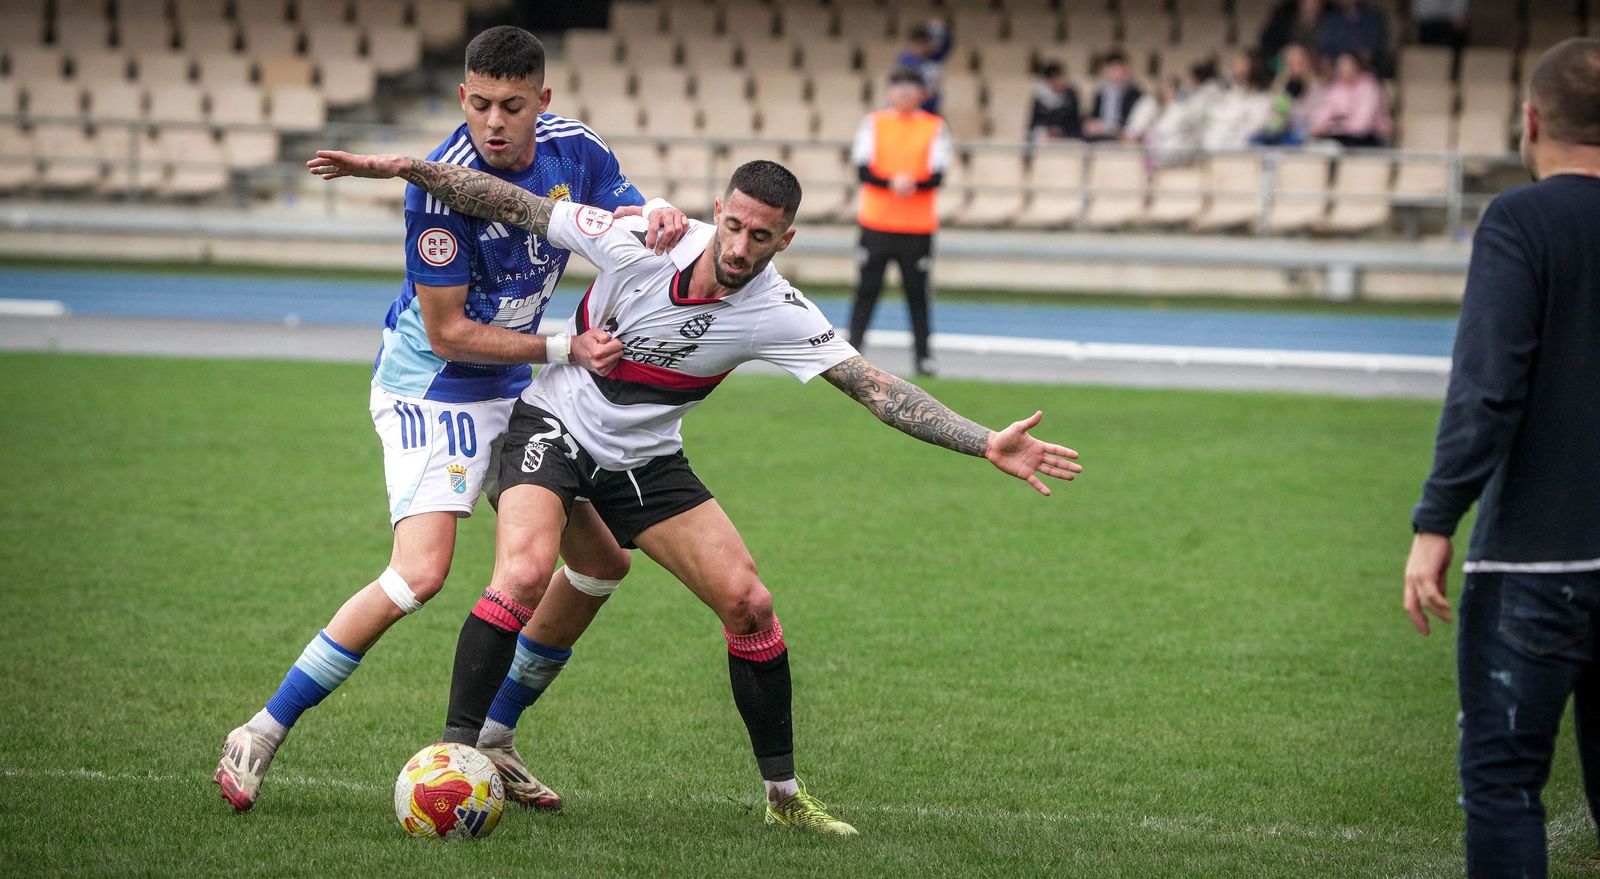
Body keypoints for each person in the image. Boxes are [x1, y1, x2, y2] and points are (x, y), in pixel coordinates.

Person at [305, 150, 1083, 836]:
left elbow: (876, 388)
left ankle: (782, 796)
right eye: (735, 226)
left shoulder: (779, 310)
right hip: (553, 425)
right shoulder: (640, 239)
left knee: (750, 602)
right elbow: (516, 205)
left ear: (785, 240)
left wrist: (984, 440)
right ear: (718, 212)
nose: (742, 246)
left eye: (762, 235)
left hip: (645, 460)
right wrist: (405, 168)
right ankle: (460, 752)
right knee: (523, 573)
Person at [212, 26, 688, 814]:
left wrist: (660, 214)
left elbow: (630, 222)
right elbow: (448, 333)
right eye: (479, 104)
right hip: (432, 388)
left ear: (543, 101)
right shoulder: (440, 187)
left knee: (601, 564)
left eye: (511, 105)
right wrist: (566, 346)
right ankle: (261, 728)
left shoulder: (577, 150)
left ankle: (493, 739)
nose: (493, 121)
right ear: (462, 97)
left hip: (513, 382)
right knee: (420, 573)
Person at [1403, 37, 1600, 879]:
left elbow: (1486, 389)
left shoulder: (1520, 220)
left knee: (1506, 784)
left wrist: (1435, 519)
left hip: (1534, 558)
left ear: (1529, 120)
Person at [847, 66, 952, 377]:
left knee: (917, 294)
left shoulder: (934, 126)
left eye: (912, 86)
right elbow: (863, 169)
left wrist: (912, 184)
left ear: (923, 93)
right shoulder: (874, 123)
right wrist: (891, 182)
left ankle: (923, 357)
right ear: (890, 91)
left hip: (916, 228)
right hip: (876, 223)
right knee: (866, 290)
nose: (905, 92)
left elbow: (937, 173)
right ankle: (851, 353)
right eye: (899, 86)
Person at [1307, 52, 1391, 146]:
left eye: (1348, 65)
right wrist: (1319, 125)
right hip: (1340, 136)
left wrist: (1333, 127)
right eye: (1341, 65)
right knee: (1316, 144)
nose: (1344, 69)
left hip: (1370, 136)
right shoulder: (1335, 87)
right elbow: (1324, 111)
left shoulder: (1369, 86)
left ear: (1357, 67)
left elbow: (1362, 125)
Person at [1316, 0, 1390, 76]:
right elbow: (1325, 53)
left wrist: (1351, 66)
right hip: (1336, 73)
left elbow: (1368, 54)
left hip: (1364, 72)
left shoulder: (1372, 19)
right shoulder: (1331, 21)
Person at [1083, 50, 1144, 142]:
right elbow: (1095, 114)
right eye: (1113, 69)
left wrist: (1105, 128)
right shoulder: (1101, 91)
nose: (1117, 73)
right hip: (1100, 132)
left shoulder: (1133, 93)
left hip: (1120, 135)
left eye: (1119, 69)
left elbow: (1131, 122)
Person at [895, 18, 953, 114]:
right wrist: (923, 91)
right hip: (913, 109)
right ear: (910, 44)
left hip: (930, 109)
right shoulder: (906, 60)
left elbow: (947, 46)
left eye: (923, 44)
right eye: (917, 45)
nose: (920, 49)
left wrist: (943, 30)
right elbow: (905, 84)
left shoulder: (932, 58)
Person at [1257, 0, 1325, 72]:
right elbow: (1267, 46)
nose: (1310, 3)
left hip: (1316, 66)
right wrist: (1285, 53)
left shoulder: (1331, 17)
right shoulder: (1283, 14)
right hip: (1281, 64)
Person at [1028, 61, 1083, 142]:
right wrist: (1047, 130)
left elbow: (1075, 120)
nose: (1059, 81)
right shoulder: (1040, 97)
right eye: (1055, 79)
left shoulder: (1071, 95)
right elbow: (1034, 123)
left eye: (1060, 78)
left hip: (1067, 134)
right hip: (1045, 134)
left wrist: (1060, 130)